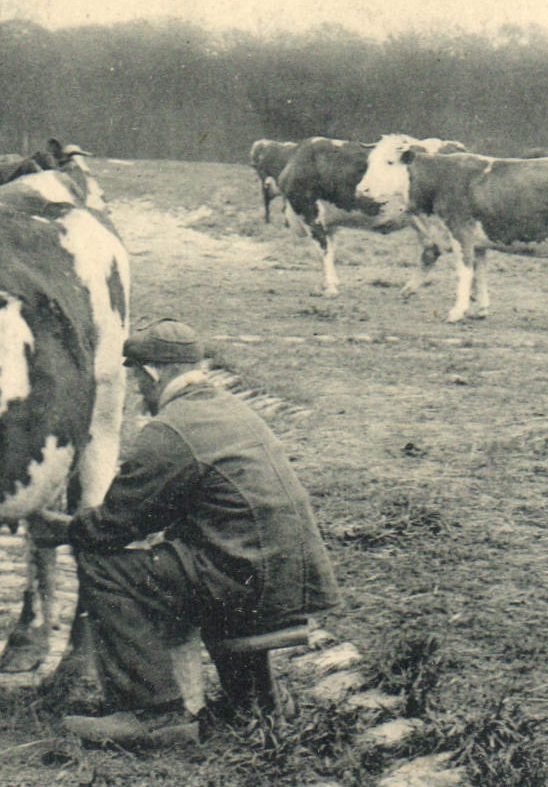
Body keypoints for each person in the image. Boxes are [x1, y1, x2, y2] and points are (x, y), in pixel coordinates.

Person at [49, 320, 341, 749]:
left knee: (105, 566)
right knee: (199, 562)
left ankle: (152, 713)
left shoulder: (171, 429)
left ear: (150, 374)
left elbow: (113, 527)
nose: (138, 393)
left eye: (136, 379)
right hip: (286, 574)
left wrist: (64, 529)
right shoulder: (231, 409)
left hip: (246, 578)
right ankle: (256, 705)